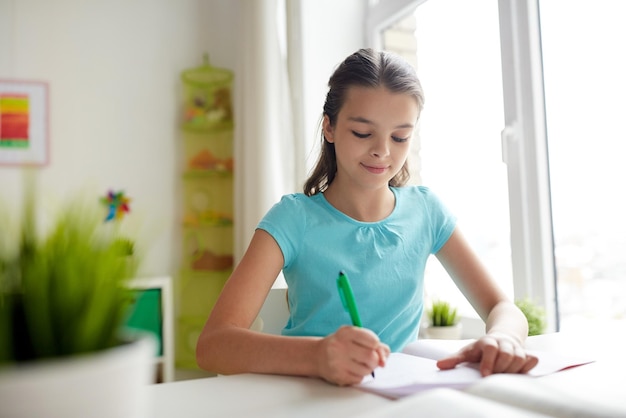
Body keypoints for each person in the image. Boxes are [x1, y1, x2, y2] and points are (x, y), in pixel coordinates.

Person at [196, 48, 538, 386]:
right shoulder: (292, 218)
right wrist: (317, 357)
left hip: (399, 401)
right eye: (363, 133)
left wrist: (503, 337)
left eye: (400, 137)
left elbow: (503, 309)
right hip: (310, 402)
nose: (383, 151)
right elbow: (213, 345)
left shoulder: (426, 211)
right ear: (329, 128)